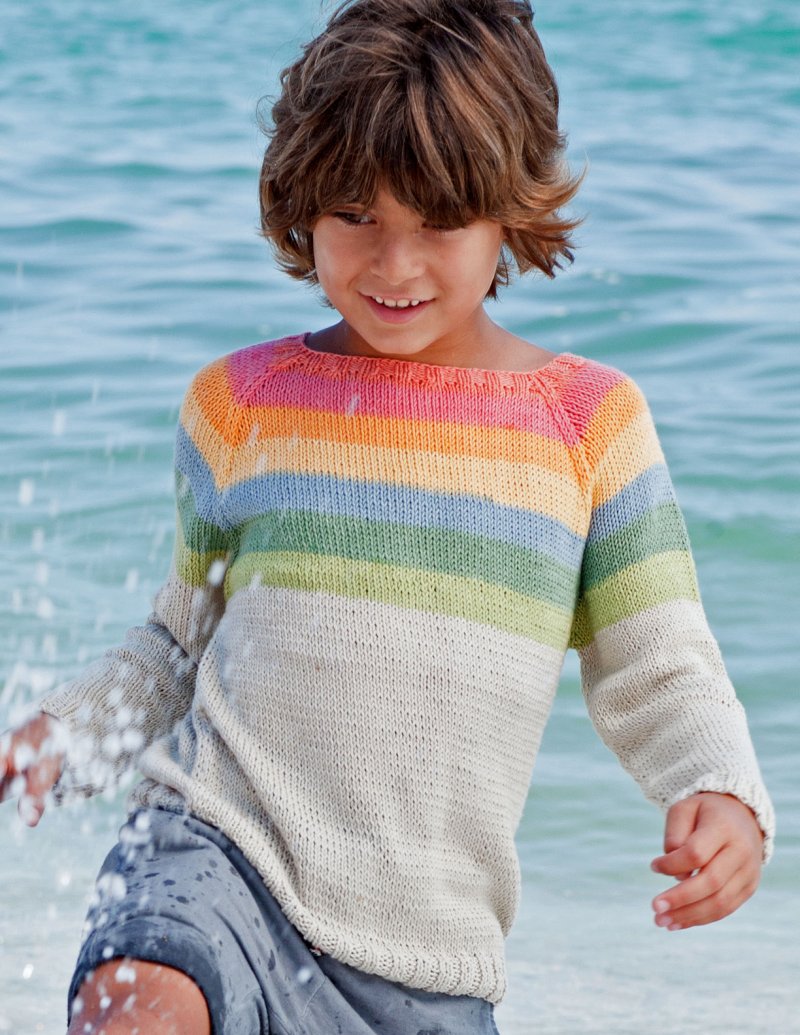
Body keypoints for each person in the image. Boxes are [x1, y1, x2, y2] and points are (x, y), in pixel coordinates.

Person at [0, 0, 775, 1032]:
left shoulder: (589, 427)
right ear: (302, 205)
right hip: (215, 850)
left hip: (424, 956)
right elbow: (177, 646)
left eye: (438, 222)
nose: (393, 264)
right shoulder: (240, 405)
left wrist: (719, 786)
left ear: (508, 210)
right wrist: (63, 732)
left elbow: (659, 663)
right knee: (139, 1003)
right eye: (356, 215)